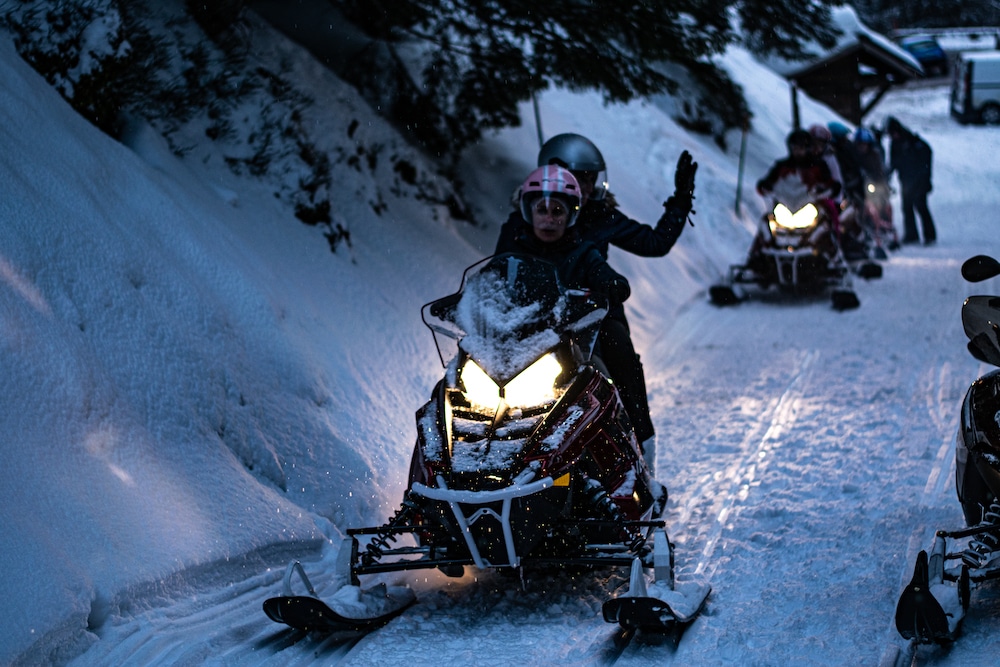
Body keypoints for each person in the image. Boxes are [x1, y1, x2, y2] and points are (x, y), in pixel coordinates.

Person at [495, 134, 697, 460]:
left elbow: (654, 243)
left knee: (622, 359)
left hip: (594, 315)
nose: (587, 187)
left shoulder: (601, 216)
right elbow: (499, 269)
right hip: (532, 315)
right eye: (580, 178)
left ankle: (641, 445)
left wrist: (680, 201)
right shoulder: (526, 220)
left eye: (591, 179)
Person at [885, 116, 936, 245]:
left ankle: (929, 235)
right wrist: (887, 175)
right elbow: (894, 162)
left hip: (919, 182)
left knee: (921, 207)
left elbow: (926, 154)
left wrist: (924, 175)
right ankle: (911, 235)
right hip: (906, 182)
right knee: (907, 208)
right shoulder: (895, 144)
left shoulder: (912, 141)